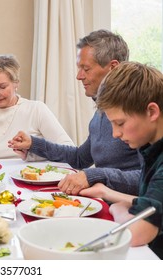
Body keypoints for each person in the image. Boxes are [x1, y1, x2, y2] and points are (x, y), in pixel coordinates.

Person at [8, 29, 141, 196]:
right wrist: (33, 144)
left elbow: (150, 179)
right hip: (103, 200)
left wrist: (94, 175)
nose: (79, 76)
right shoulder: (100, 112)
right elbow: (80, 158)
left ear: (113, 67)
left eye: (86, 68)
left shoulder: (139, 112)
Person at [80, 61, 163, 258]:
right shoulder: (151, 148)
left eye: (120, 123)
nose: (115, 134)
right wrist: (106, 192)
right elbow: (153, 203)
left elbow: (137, 233)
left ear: (152, 112)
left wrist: (118, 209)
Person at [0, 54, 74, 160]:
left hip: (35, 176)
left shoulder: (36, 110)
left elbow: (69, 150)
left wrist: (31, 153)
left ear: (16, 84)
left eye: (2, 87)